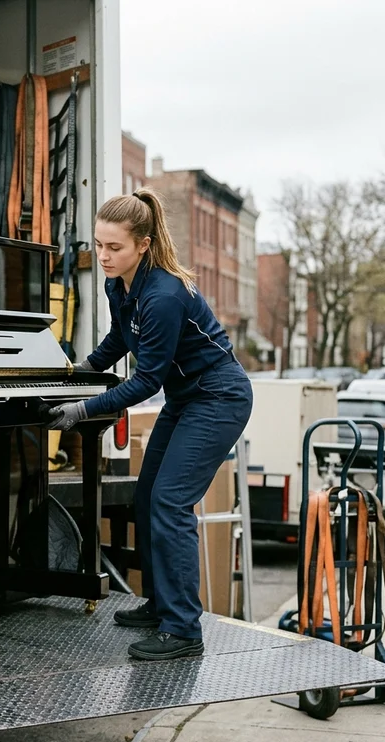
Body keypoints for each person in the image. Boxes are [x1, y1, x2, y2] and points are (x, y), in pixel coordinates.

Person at [44, 188, 253, 661]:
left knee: (171, 501)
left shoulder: (164, 295)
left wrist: (81, 410)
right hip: (186, 399)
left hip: (218, 397)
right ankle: (161, 605)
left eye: (114, 247)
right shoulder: (117, 285)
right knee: (146, 496)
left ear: (143, 244)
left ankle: (183, 630)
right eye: (99, 244)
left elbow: (145, 381)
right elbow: (119, 339)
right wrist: (78, 374)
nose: (103, 256)